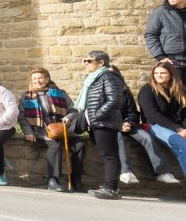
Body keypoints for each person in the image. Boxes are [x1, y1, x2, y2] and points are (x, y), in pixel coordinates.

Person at [17, 67, 84, 192]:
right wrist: (28, 131)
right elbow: (21, 117)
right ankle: (53, 179)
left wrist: (69, 117)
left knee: (79, 144)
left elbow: (74, 111)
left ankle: (76, 179)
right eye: (35, 79)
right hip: (41, 131)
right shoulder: (27, 96)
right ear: (31, 81)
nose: (38, 81)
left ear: (47, 79)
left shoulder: (61, 93)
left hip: (61, 130)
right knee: (55, 145)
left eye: (41, 78)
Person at [112, 64, 177, 185]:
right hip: (111, 126)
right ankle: (126, 171)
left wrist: (128, 123)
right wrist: (118, 124)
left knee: (147, 138)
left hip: (128, 125)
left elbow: (132, 112)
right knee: (118, 138)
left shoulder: (124, 92)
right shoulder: (98, 93)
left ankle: (162, 172)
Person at [72, 50, 125, 200]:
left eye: (89, 61)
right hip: (97, 122)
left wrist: (97, 115)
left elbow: (115, 99)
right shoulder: (93, 78)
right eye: (84, 61)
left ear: (101, 62)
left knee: (110, 155)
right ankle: (109, 186)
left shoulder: (108, 76)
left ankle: (110, 188)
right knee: (106, 154)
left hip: (104, 122)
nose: (85, 64)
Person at [137, 62, 186, 181]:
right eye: (156, 73)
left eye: (163, 73)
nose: (158, 75)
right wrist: (178, 129)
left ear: (171, 75)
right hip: (154, 125)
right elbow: (152, 115)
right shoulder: (147, 89)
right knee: (181, 146)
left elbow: (184, 114)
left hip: (174, 126)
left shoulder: (179, 90)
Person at [144, 0, 186, 71]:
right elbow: (151, 35)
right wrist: (160, 56)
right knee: (174, 85)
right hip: (172, 61)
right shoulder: (160, 12)